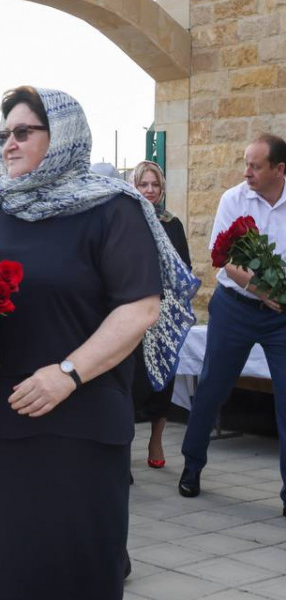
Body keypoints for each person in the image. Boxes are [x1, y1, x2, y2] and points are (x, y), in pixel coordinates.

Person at [0, 86, 196, 599]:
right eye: (4, 135)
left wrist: (66, 373)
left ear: (63, 135)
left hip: (79, 422)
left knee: (71, 569)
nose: (8, 144)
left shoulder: (113, 208)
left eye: (23, 132)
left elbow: (141, 307)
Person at [180, 134, 286, 510]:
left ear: (279, 169)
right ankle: (192, 466)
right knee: (211, 388)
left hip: (281, 318)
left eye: (256, 166)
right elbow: (223, 257)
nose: (247, 172)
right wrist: (263, 291)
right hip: (236, 308)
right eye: (246, 163)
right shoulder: (233, 199)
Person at [129, 160, 190, 470]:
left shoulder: (172, 223)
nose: (150, 190)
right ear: (134, 187)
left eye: (155, 185)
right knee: (130, 378)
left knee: (162, 379)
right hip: (131, 310)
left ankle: (156, 439)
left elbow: (184, 269)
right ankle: (122, 446)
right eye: (144, 184)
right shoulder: (126, 220)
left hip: (163, 313)